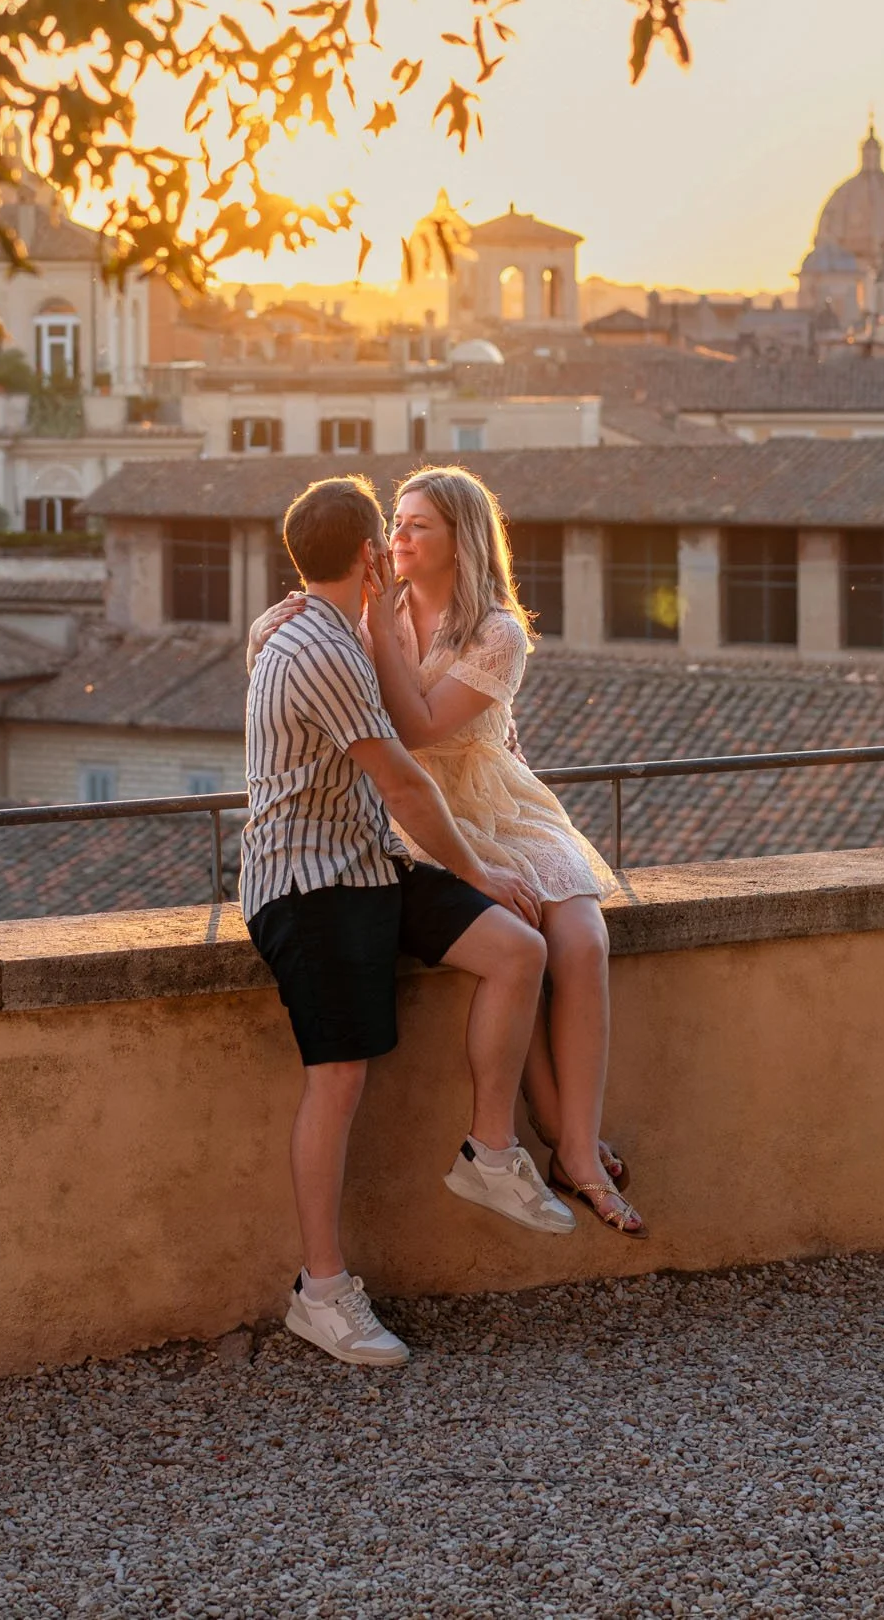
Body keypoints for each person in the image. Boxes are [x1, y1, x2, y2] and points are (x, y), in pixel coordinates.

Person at [242, 473, 576, 1374]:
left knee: (517, 949)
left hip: (367, 862)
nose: (395, 545)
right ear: (364, 556)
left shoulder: (324, 626)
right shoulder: (319, 646)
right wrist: (478, 867)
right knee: (338, 1078)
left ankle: (491, 1152)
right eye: (385, 536)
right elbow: (402, 778)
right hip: (306, 884)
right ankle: (321, 1293)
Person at [366, 468, 645, 1238]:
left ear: (460, 538)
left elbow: (423, 725)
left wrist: (368, 627)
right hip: (419, 809)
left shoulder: (497, 630)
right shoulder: (374, 611)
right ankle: (571, 1150)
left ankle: (574, 1144)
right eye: (397, 519)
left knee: (582, 939)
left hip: (497, 796)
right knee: (513, 937)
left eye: (418, 524)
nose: (399, 535)